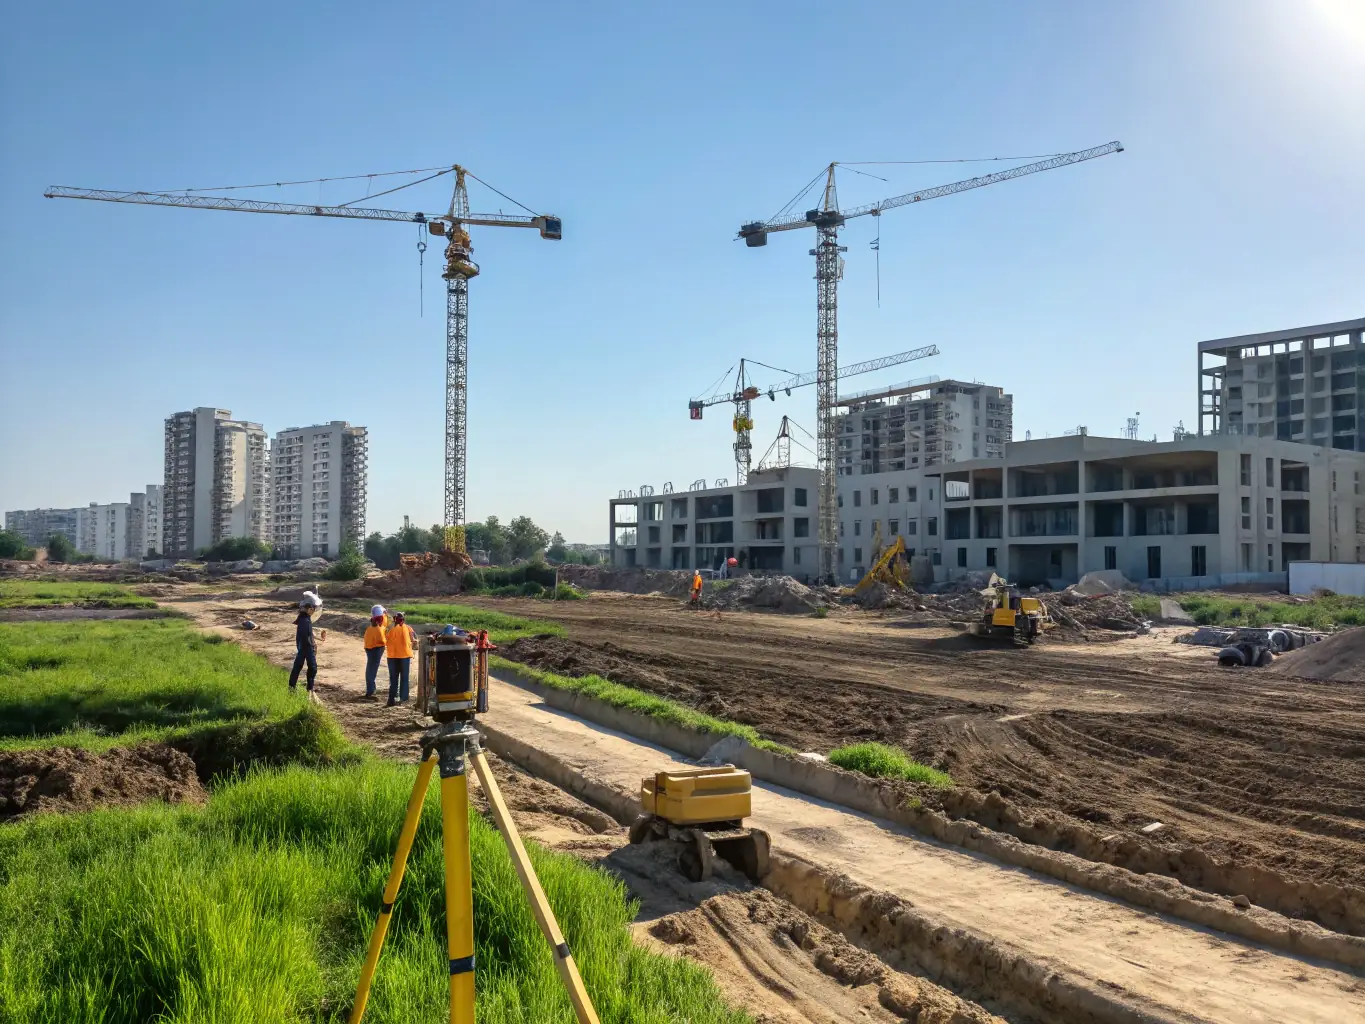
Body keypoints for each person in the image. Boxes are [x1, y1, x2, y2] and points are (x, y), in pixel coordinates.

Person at [289, 594, 324, 697]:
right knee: (312, 668)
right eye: (312, 610)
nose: (313, 612)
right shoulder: (305, 620)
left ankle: (292, 687)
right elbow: (306, 636)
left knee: (297, 667)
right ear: (309, 609)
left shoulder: (303, 619)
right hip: (306, 647)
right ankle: (309, 690)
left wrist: (317, 638)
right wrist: (313, 646)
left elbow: (309, 633)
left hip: (302, 647)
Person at [385, 610, 416, 706]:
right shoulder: (408, 628)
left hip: (392, 657)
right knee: (404, 678)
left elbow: (385, 639)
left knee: (394, 679)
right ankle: (403, 698)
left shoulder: (389, 628)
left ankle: (392, 699)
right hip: (403, 657)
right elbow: (414, 640)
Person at [362, 604, 388, 700]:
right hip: (375, 647)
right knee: (372, 668)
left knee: (371, 668)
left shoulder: (373, 627)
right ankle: (371, 690)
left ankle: (371, 689)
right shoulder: (378, 625)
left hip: (371, 647)